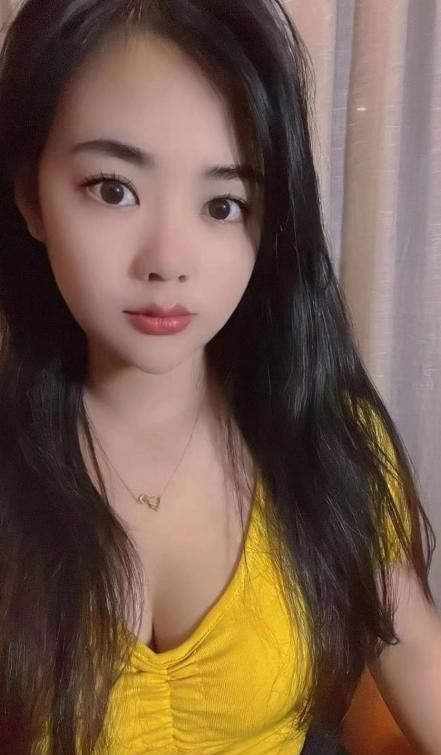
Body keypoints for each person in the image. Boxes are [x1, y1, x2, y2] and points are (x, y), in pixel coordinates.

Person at [0, 1, 439, 753]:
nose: (168, 260)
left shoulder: (328, 445)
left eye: (223, 204)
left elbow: (417, 659)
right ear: (29, 195)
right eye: (113, 188)